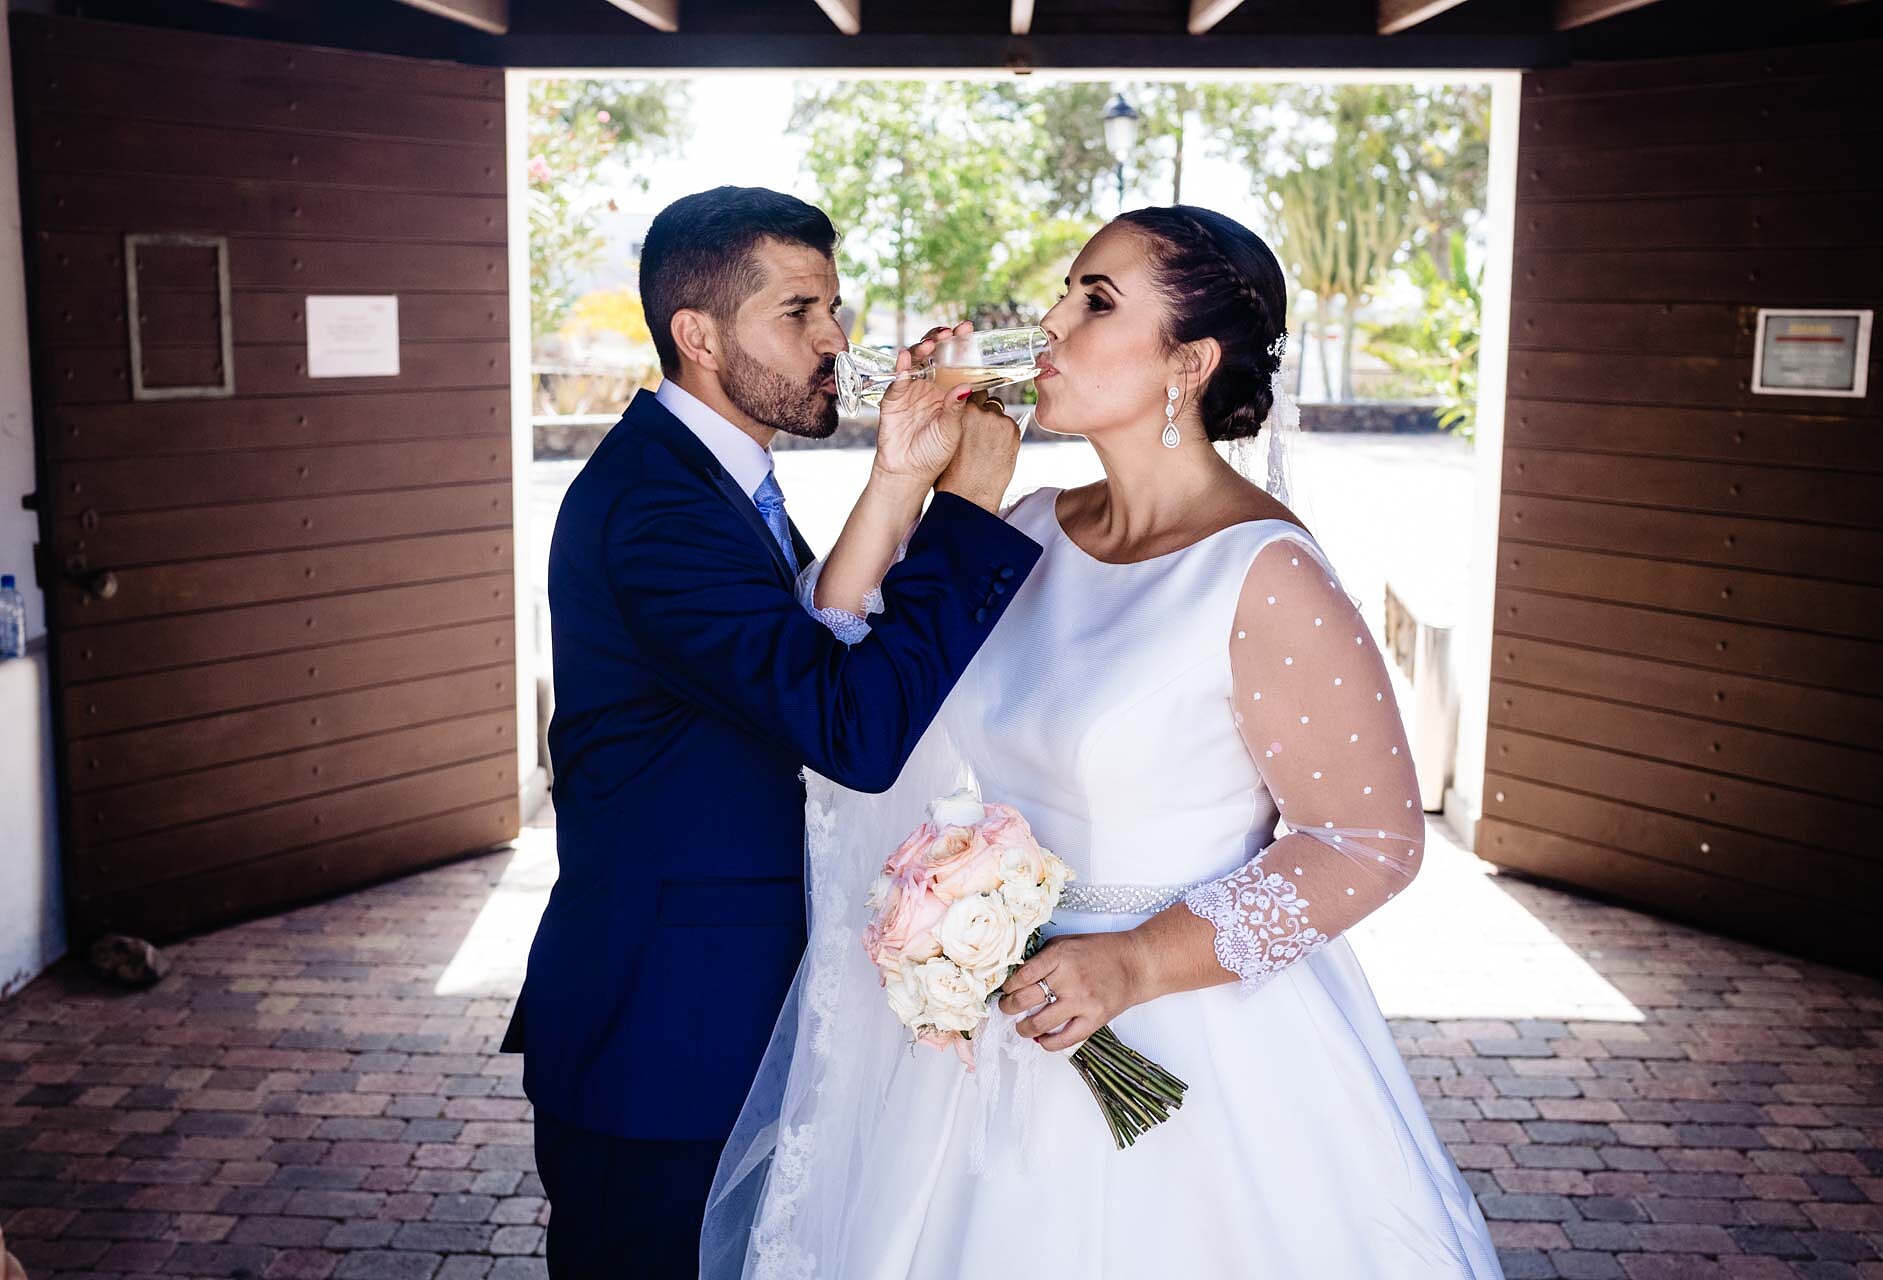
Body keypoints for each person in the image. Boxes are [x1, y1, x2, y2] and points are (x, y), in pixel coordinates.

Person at [703, 205, 1505, 1278]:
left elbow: (1369, 838)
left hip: (1192, 1042)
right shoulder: (1027, 526)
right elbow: (837, 662)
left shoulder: (1265, 569)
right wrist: (906, 478)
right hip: (980, 1049)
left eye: (1095, 300)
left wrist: (1134, 961)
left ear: (1191, 361)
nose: (1050, 321)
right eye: (1064, 292)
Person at [499, 185, 1042, 1278]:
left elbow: (807, 640)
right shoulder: (660, 509)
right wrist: (969, 513)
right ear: (698, 335)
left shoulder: (718, 479)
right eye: (799, 312)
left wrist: (900, 472)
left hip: (721, 1015)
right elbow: (846, 721)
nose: (835, 338)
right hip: (661, 1035)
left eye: (833, 307)